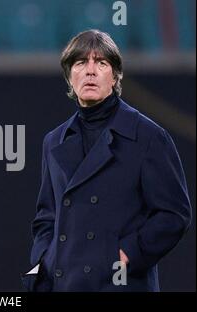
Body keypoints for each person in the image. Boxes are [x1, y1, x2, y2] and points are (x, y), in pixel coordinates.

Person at [21, 29, 192, 292]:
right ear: (70, 76)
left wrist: (127, 254)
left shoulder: (147, 136)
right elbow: (46, 217)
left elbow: (174, 214)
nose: (90, 71)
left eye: (101, 63)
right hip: (64, 283)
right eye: (80, 63)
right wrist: (44, 261)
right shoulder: (53, 141)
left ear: (115, 76)